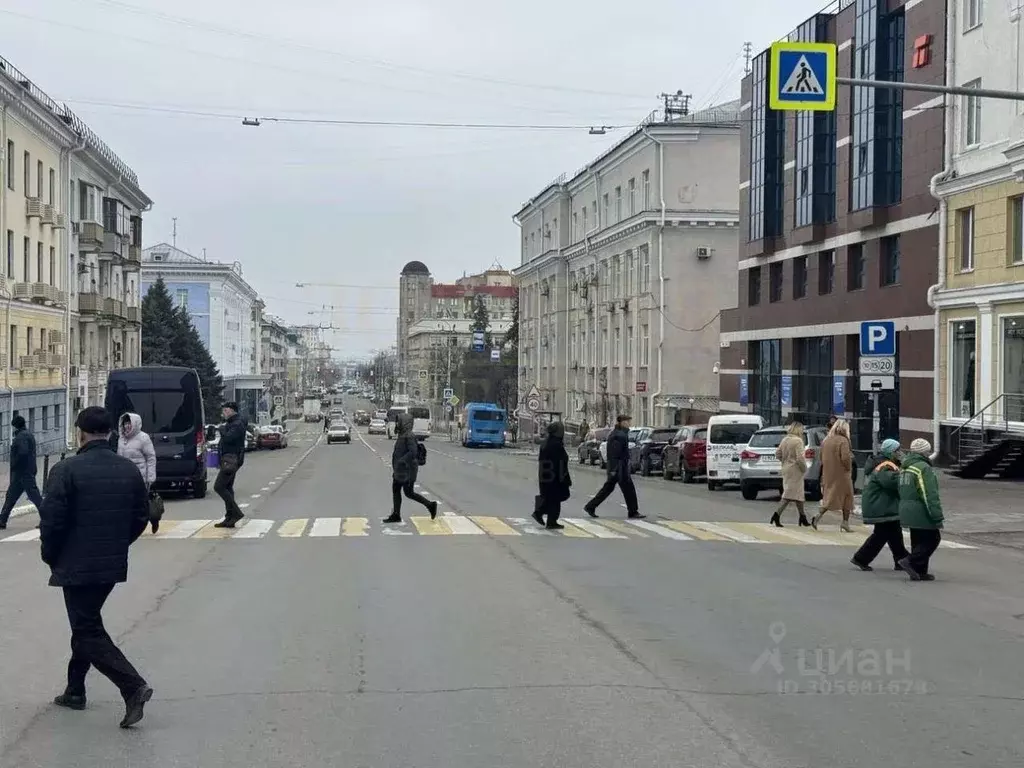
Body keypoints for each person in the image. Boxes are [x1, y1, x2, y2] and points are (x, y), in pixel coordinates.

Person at [39, 406, 153, 728]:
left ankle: (132, 687)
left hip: (76, 565)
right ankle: (75, 689)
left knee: (86, 629)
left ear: (81, 432)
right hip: (110, 564)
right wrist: (116, 546)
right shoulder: (128, 470)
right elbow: (140, 518)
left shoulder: (66, 470)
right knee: (86, 623)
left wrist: (51, 556)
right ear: (110, 433)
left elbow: (52, 522)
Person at [851, 438, 910, 572]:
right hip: (882, 505)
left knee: (894, 533)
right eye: (897, 450)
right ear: (891, 452)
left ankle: (901, 559)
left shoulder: (884, 463)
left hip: (883, 504)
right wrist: (905, 468)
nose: (900, 453)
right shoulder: (885, 466)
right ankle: (861, 558)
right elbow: (892, 483)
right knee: (882, 534)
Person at [897, 438, 944, 581]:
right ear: (925, 452)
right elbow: (928, 493)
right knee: (933, 538)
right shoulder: (923, 468)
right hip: (921, 509)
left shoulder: (904, 467)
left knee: (917, 539)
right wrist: (936, 514)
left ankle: (919, 571)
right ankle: (910, 561)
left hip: (906, 508)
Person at [584, 414, 643, 520]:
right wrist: (615, 469)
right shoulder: (619, 435)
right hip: (619, 467)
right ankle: (633, 512)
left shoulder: (619, 434)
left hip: (617, 467)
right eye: (628, 421)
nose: (630, 424)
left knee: (608, 489)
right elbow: (615, 454)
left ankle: (590, 506)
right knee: (628, 489)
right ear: (623, 422)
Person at [383, 413, 437, 524]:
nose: (397, 424)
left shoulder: (409, 436)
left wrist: (402, 461)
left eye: (399, 422)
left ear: (405, 423)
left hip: (407, 470)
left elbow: (413, 452)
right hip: (400, 470)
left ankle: (430, 505)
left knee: (408, 493)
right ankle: (396, 514)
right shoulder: (403, 435)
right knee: (397, 490)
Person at [0, 415, 45, 530]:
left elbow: (22, 453)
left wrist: (14, 464)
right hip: (25, 472)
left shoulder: (21, 437)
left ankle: (47, 519)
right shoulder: (28, 434)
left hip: (23, 473)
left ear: (15, 426)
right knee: (11, 496)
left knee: (34, 497)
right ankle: (2, 520)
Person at [812, 418, 855, 532]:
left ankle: (819, 516)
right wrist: (849, 467)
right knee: (847, 497)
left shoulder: (826, 440)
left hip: (828, 473)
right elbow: (845, 458)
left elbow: (821, 457)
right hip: (842, 474)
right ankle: (844, 522)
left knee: (830, 495)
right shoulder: (843, 441)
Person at [214, 402, 247, 529]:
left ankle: (236, 513)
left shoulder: (237, 424)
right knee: (227, 487)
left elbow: (228, 438)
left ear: (233, 411)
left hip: (232, 459)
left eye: (226, 410)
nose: (224, 413)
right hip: (229, 459)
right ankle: (230, 518)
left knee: (219, 486)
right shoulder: (232, 423)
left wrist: (222, 429)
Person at [770, 422, 811, 527]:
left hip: (786, 468)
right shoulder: (798, 441)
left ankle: (803, 517)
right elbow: (800, 458)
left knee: (798, 494)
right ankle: (776, 514)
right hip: (796, 470)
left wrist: (784, 461)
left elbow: (778, 453)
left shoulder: (785, 439)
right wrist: (804, 468)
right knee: (789, 494)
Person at [533, 421, 572, 530]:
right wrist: (563, 477)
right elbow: (559, 462)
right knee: (555, 498)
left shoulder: (546, 442)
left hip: (545, 474)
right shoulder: (556, 444)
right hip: (554, 475)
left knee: (550, 497)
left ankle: (546, 517)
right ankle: (547, 518)